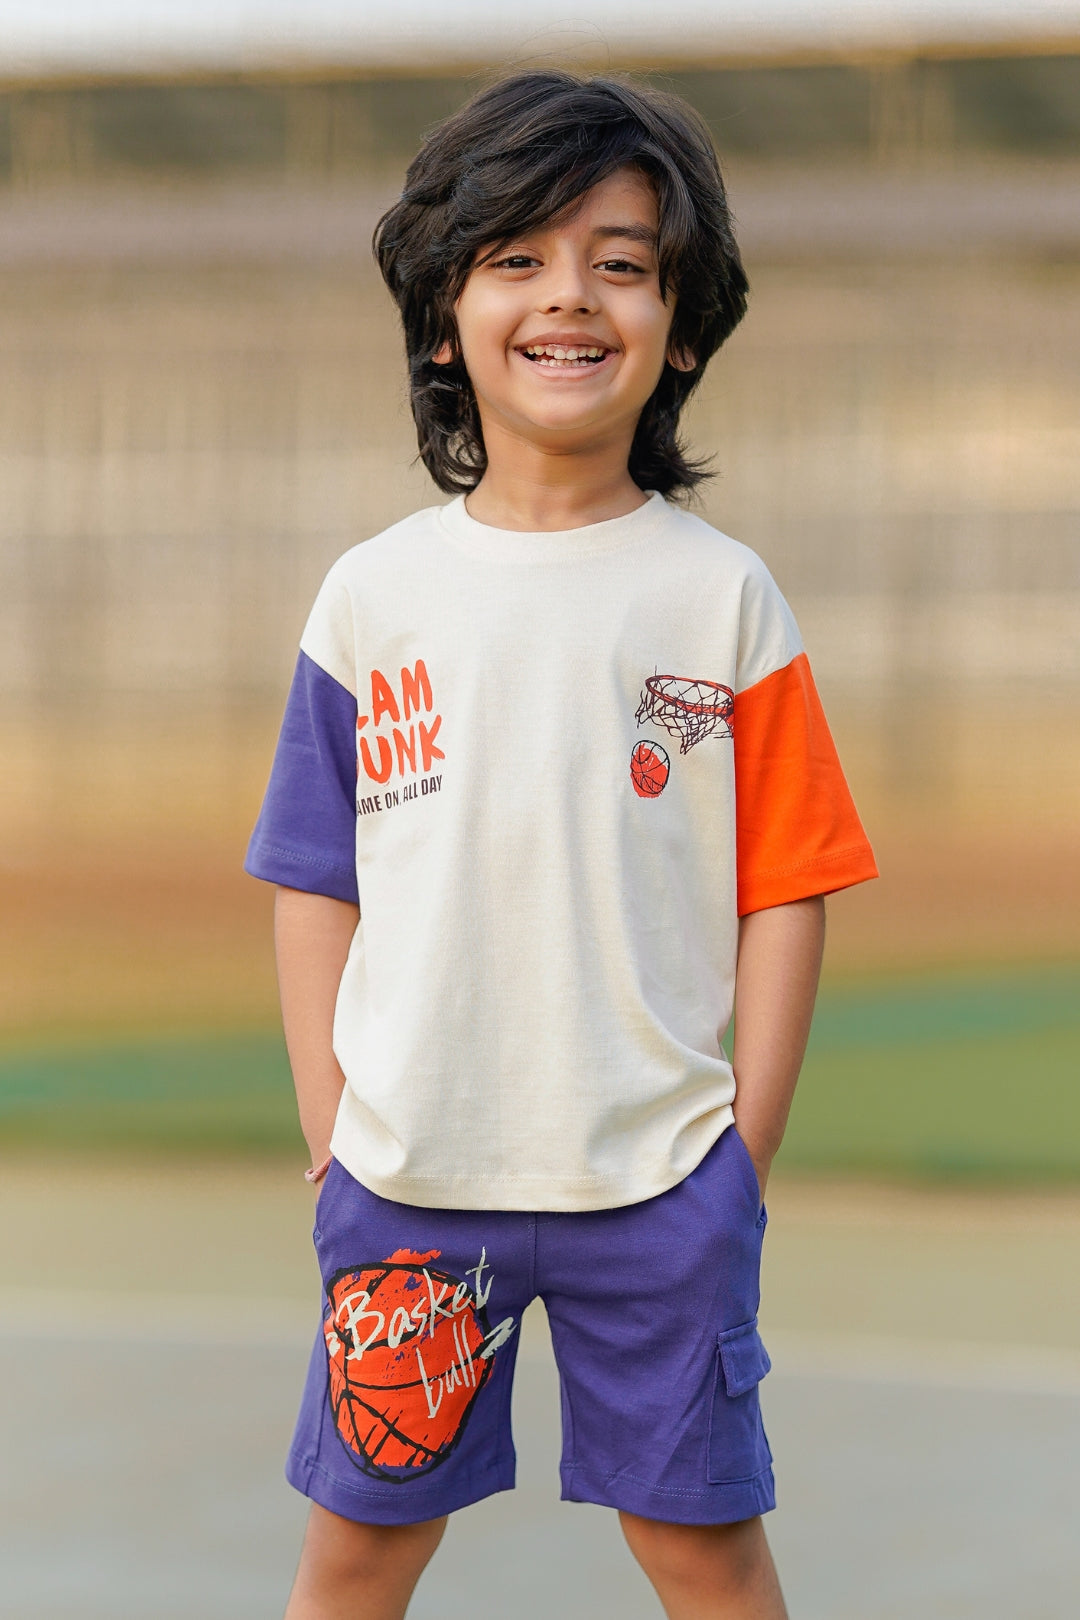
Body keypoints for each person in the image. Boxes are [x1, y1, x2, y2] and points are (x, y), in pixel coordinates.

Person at [246, 69, 877, 1620]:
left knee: (703, 1548)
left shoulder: (724, 597)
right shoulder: (372, 597)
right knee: (357, 1552)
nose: (570, 296)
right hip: (409, 1186)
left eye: (621, 261)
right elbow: (314, 878)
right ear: (444, 316)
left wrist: (741, 1160)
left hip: (659, 1179)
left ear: (680, 322)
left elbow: (788, 887)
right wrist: (335, 1133)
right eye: (516, 258)